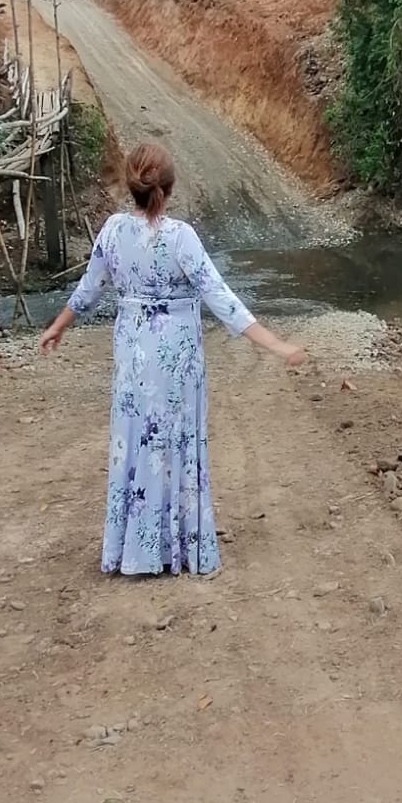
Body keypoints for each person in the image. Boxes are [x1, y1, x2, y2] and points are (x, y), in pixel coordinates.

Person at [39, 143, 304, 577]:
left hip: (132, 355)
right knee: (175, 444)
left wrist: (58, 325)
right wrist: (274, 344)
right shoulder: (180, 237)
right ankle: (176, 548)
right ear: (169, 188)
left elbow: (89, 290)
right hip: (176, 358)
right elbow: (221, 298)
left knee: (134, 442)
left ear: (132, 186)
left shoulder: (112, 231)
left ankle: (133, 550)